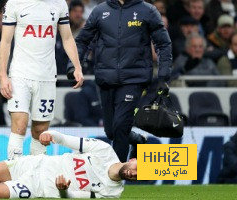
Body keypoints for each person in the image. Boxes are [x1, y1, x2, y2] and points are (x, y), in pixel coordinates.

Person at [70, 0, 172, 162]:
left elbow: (163, 44)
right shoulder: (99, 11)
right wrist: (73, 66)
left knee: (120, 127)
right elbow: (82, 40)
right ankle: (138, 141)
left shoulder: (147, 11)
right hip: (106, 78)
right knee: (111, 131)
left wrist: (163, 76)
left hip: (135, 79)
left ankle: (115, 179)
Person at [0, 130, 136, 199]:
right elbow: (64, 139)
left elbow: (73, 197)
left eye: (139, 175)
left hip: (35, 186)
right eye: (137, 168)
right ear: (134, 159)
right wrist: (49, 135)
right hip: (33, 162)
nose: (135, 174)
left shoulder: (112, 192)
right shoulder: (104, 151)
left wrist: (63, 191)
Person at [0, 0, 84, 160]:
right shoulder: (14, 3)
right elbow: (5, 41)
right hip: (20, 74)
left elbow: (67, 38)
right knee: (20, 125)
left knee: (40, 131)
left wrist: (77, 67)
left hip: (46, 77)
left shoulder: (59, 4)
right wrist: (3, 76)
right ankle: (16, 174)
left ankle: (35, 176)